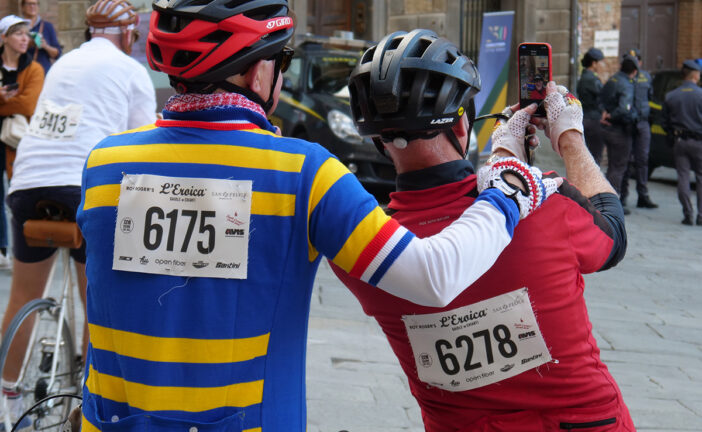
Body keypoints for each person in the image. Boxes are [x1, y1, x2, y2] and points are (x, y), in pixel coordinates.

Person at [75, 4, 559, 431]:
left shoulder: (103, 163)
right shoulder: (303, 172)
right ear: (257, 74)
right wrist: (509, 192)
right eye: (280, 62)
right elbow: (434, 277)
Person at [333, 30, 632, 431]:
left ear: (378, 143)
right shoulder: (542, 201)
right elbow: (612, 234)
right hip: (584, 421)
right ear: (462, 126)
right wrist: (569, 136)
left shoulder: (366, 249)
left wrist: (506, 159)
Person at [0, 0, 155, 428]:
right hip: (84, 185)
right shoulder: (130, 70)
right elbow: (144, 141)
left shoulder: (64, 64)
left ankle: (6, 398)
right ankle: (88, 401)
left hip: (29, 181)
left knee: (21, 296)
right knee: (98, 300)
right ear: (127, 35)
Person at [0, 15, 44, 270]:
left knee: (18, 195)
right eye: (18, 34)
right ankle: (2, 248)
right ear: (4, 37)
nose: (25, 39)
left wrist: (2, 100)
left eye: (27, 34)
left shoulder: (34, 68)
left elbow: (29, 103)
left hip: (20, 140)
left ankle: (24, 249)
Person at [662, 60, 702, 225]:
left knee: (683, 177)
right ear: (695, 75)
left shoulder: (671, 96)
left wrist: (672, 134)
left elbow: (664, 122)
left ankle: (688, 214)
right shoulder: (700, 94)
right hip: (699, 142)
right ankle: (701, 216)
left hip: (680, 141)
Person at [601, 54, 639, 214]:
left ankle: (607, 201)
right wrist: (612, 115)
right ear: (635, 71)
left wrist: (605, 113)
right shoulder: (627, 84)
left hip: (608, 129)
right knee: (618, 168)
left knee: (612, 167)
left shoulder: (612, 79)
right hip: (620, 130)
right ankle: (612, 205)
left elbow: (601, 98)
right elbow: (625, 108)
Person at [621, 49, 657, 209]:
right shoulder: (621, 78)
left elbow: (650, 97)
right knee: (626, 161)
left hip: (642, 123)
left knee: (642, 160)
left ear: (640, 62)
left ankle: (643, 196)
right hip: (626, 124)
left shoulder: (646, 77)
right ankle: (622, 196)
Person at [577, 47, 605, 164]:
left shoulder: (584, 77)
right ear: (594, 63)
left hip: (585, 119)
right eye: (601, 62)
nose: (603, 65)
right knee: (594, 159)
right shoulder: (592, 80)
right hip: (593, 121)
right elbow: (603, 98)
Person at [20, 0, 61, 74]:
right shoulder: (17, 27)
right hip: (22, 71)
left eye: (35, 4)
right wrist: (29, 44)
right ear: (22, 7)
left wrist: (45, 46)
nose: (32, 6)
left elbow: (57, 54)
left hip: (43, 72)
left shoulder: (47, 26)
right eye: (29, 4)